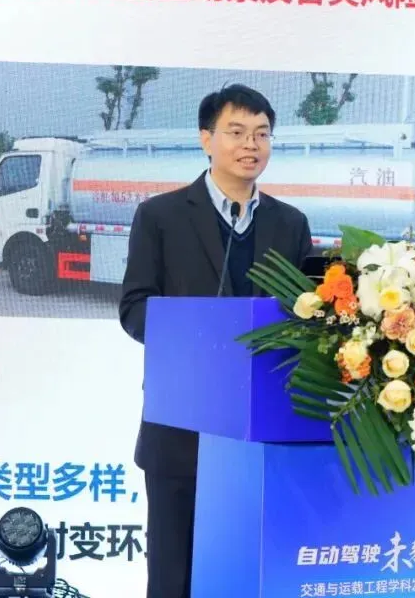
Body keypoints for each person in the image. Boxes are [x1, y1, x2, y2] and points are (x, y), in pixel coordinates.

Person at [119, 83, 314, 598]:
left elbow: (306, 317)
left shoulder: (291, 224)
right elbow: (134, 308)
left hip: (265, 433)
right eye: (237, 132)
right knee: (175, 579)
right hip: (181, 427)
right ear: (206, 139)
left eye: (262, 134)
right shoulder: (160, 216)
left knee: (252, 575)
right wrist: (199, 336)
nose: (251, 144)